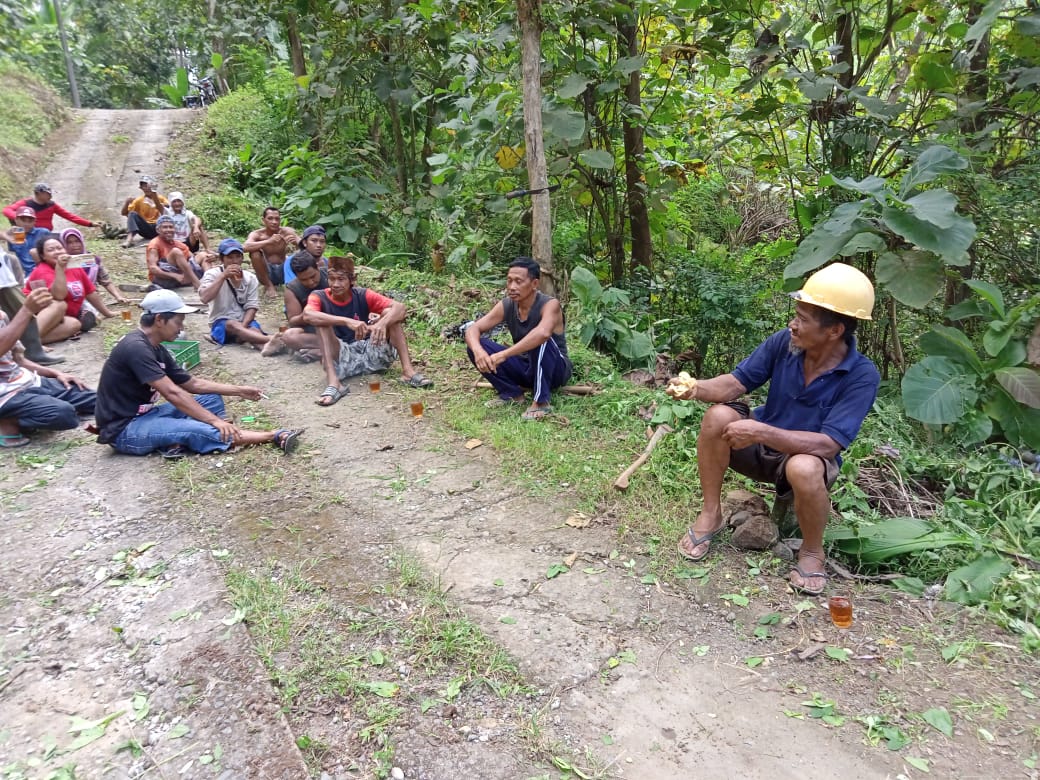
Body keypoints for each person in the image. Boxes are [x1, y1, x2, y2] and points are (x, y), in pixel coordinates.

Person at [667, 262, 881, 596]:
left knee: (806, 466)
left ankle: (811, 551)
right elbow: (735, 383)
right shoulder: (785, 343)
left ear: (834, 331)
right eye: (795, 315)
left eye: (803, 319)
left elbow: (828, 444)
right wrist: (695, 387)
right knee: (717, 417)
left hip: (800, 459)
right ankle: (711, 513)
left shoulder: (861, 375)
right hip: (758, 448)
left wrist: (762, 432)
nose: (792, 325)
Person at [94, 289, 303, 458]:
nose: (181, 327)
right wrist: (214, 421)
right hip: (125, 430)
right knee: (203, 427)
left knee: (211, 398)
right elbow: (173, 393)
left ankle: (184, 437)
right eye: (178, 321)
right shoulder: (135, 347)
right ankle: (275, 435)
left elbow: (192, 384)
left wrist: (239, 390)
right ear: (159, 319)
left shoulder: (155, 346)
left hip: (147, 416)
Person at [303, 254, 431, 406]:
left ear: (352, 280)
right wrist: (346, 321)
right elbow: (308, 315)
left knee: (390, 315)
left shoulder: (362, 294)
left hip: (371, 352)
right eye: (332, 278)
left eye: (341, 279)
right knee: (320, 321)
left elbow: (400, 308)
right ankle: (334, 384)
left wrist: (382, 323)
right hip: (342, 356)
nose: (335, 284)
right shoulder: (319, 296)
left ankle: (408, 372)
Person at [465, 258, 572, 421]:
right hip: (526, 368)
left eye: (518, 281)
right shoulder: (507, 305)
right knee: (475, 345)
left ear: (535, 284)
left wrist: (504, 355)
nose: (512, 287)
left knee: (540, 339)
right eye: (509, 281)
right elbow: (473, 329)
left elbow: (543, 333)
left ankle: (541, 402)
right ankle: (512, 394)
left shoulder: (550, 305)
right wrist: (479, 351)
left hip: (554, 370)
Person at [0, 286, 96, 448]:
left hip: (28, 382)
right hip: (5, 396)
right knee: (64, 415)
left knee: (97, 399)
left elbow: (18, 360)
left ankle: (37, 406)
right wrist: (27, 310)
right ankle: (6, 420)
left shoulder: (1, 316)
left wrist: (55, 373)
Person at [24, 235, 117, 343]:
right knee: (59, 305)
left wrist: (107, 313)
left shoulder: (74, 267)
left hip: (61, 318)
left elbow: (90, 292)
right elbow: (58, 296)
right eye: (51, 250)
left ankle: (31, 342)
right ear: (43, 256)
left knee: (75, 324)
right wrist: (59, 269)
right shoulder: (42, 271)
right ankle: (31, 340)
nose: (57, 252)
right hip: (37, 317)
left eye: (59, 248)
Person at [198, 238, 278, 350]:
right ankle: (273, 339)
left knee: (254, 332)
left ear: (242, 258)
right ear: (222, 259)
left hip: (244, 319)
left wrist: (243, 328)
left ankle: (274, 348)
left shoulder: (250, 278)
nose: (234, 261)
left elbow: (252, 306)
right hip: (221, 321)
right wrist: (223, 276)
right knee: (232, 325)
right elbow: (204, 298)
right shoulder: (212, 274)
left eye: (238, 256)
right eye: (230, 257)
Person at [0, 249, 64, 365]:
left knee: (21, 312)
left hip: (4, 278)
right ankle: (32, 353)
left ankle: (32, 351)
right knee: (24, 310)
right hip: (4, 283)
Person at [264, 249, 327, 361]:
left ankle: (317, 351)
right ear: (296, 276)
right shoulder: (292, 289)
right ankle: (325, 349)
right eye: (304, 279)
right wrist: (306, 316)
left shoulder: (330, 276)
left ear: (317, 267)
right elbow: (293, 320)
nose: (310, 282)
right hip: (315, 330)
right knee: (290, 336)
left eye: (313, 276)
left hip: (340, 326)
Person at [60, 228, 129, 304]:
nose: (75, 245)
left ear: (82, 241)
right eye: (69, 242)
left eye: (77, 241)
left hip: (92, 298)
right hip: (70, 298)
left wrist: (118, 297)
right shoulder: (61, 262)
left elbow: (106, 281)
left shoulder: (92, 259)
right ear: (63, 244)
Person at [243, 207, 299, 297]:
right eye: (270, 218)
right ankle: (269, 286)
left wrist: (297, 243)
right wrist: (269, 241)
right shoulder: (257, 234)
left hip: (284, 271)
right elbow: (244, 247)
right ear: (263, 220)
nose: (274, 222)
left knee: (299, 254)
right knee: (255, 253)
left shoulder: (286, 232)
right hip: (266, 273)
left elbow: (304, 244)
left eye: (277, 219)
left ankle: (296, 283)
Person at [3, 182, 98, 232]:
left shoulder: (52, 205)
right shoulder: (26, 203)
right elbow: (6, 210)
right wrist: (19, 217)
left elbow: (69, 216)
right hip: (28, 234)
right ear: (39, 193)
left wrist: (89, 224)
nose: (50, 196)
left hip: (45, 234)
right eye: (47, 194)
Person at [145, 215, 202, 291]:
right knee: (176, 251)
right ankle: (197, 284)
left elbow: (193, 260)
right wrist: (174, 275)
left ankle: (208, 282)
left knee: (203, 256)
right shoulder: (154, 244)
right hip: (163, 280)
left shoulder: (178, 244)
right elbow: (153, 268)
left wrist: (208, 256)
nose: (168, 230)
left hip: (181, 278)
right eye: (165, 227)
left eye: (171, 227)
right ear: (158, 230)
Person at [120, 176, 169, 247]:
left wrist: (159, 204)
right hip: (146, 228)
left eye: (148, 186)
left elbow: (168, 207)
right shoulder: (139, 200)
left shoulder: (160, 198)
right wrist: (127, 202)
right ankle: (129, 239)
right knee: (132, 214)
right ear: (141, 188)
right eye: (144, 186)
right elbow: (125, 213)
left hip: (159, 227)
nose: (147, 188)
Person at [3, 206, 49, 277]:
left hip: (42, 269)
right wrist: (7, 236)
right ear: (16, 220)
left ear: (34, 221)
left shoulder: (43, 232)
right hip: (25, 274)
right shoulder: (14, 235)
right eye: (23, 220)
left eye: (30, 221)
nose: (26, 224)